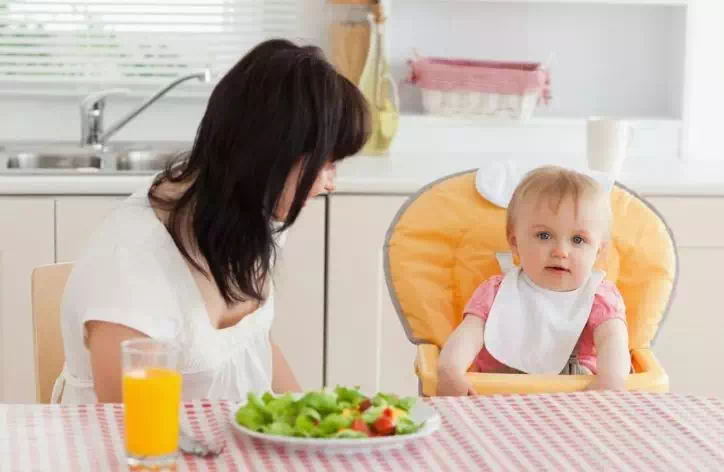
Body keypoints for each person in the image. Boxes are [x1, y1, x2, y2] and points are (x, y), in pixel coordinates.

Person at [55, 39, 370, 403]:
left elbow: (254, 343)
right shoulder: (130, 263)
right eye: (325, 165)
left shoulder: (255, 217)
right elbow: (129, 432)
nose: (330, 183)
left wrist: (312, 423)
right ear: (270, 156)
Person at [437, 165, 630, 396]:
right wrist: (450, 369)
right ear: (515, 243)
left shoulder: (600, 297)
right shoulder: (497, 292)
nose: (561, 251)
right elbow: (468, 333)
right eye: (544, 236)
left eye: (578, 240)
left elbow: (613, 340)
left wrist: (611, 378)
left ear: (598, 251)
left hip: (575, 400)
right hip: (497, 395)